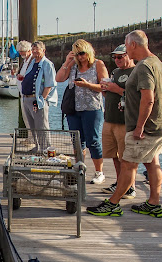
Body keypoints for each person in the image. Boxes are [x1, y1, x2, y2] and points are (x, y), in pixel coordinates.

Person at [87, 30, 162, 218]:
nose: (125, 49)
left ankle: (113, 204)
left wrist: (139, 127)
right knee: (152, 163)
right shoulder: (158, 63)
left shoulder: (143, 67)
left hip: (146, 127)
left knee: (128, 164)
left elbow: (148, 99)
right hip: (160, 123)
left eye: (126, 45)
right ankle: (154, 203)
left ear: (133, 45)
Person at [56, 39, 108, 184]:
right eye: (77, 54)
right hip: (74, 109)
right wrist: (67, 62)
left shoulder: (98, 64)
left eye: (82, 54)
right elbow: (59, 78)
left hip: (92, 108)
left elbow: (105, 86)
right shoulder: (73, 66)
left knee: (93, 140)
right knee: (77, 142)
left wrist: (87, 85)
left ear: (89, 52)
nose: (80, 57)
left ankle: (99, 172)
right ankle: (80, 169)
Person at [100, 44, 136, 198]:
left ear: (130, 55)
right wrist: (106, 91)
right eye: (115, 57)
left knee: (126, 157)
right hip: (110, 119)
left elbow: (137, 96)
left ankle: (130, 187)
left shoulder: (135, 72)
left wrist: (117, 89)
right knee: (114, 155)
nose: (117, 60)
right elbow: (112, 95)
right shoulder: (114, 72)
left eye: (120, 56)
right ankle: (120, 182)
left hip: (125, 122)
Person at [20, 41, 57, 152]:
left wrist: (41, 99)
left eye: (37, 49)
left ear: (43, 50)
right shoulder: (32, 62)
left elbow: (49, 84)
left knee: (41, 126)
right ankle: (37, 147)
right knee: (32, 126)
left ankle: (46, 149)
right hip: (26, 98)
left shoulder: (47, 64)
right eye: (33, 49)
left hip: (37, 99)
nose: (35, 51)